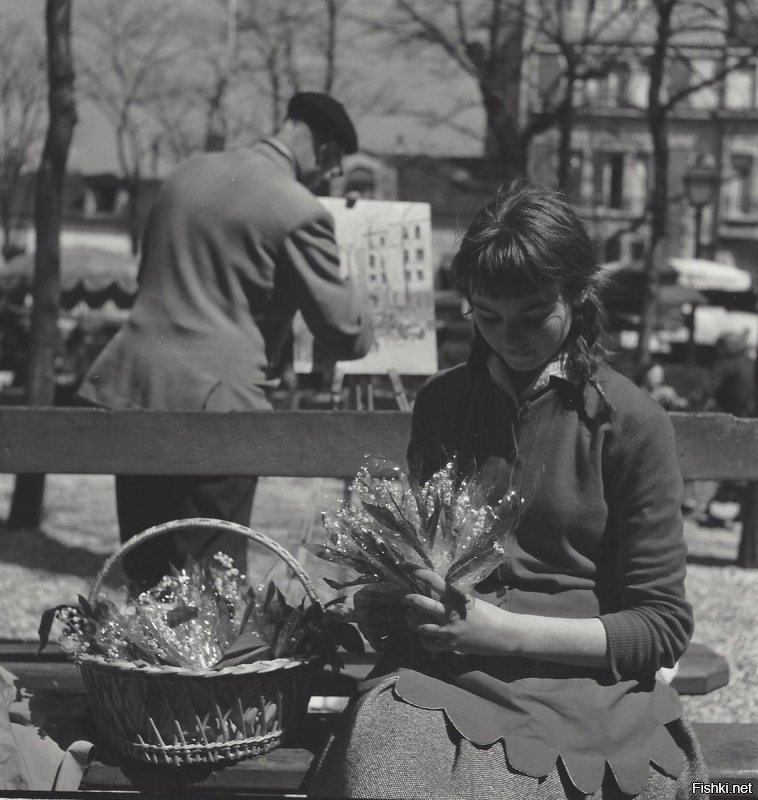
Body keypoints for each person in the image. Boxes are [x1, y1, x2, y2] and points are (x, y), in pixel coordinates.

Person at [306, 184, 707, 799]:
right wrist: (391, 601)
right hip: (443, 675)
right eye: (486, 316)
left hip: (580, 687)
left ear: (578, 295)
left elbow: (659, 627)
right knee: (388, 783)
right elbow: (426, 560)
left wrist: (502, 632)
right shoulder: (443, 402)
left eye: (532, 315)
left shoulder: (630, 421)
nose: (508, 336)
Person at [78, 92, 372, 588]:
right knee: (210, 578)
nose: (329, 178)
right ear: (323, 151)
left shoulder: (185, 174)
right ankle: (200, 666)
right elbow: (346, 334)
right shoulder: (298, 208)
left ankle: (140, 664)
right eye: (334, 167)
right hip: (220, 406)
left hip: (135, 392)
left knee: (146, 566)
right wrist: (359, 281)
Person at [701, 331, 755, 526]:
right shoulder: (749, 364)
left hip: (731, 427)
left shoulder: (726, 365)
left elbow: (705, 389)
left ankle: (709, 507)